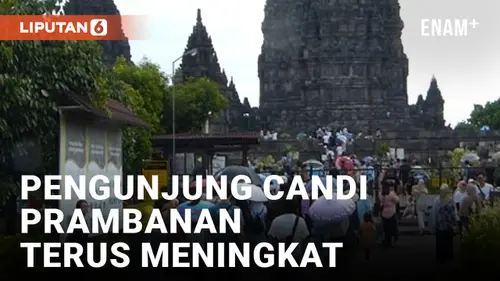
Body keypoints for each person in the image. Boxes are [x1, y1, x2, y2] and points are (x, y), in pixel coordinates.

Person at [429, 184, 455, 263]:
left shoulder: (451, 200)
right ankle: (441, 258)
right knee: (440, 243)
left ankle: (448, 258)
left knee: (448, 243)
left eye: (443, 191)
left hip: (448, 226)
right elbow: (434, 213)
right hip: (440, 226)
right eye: (441, 191)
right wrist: (433, 225)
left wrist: (454, 224)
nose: (442, 192)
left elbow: (453, 213)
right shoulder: (437, 200)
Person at [378, 183, 399, 247]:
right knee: (393, 228)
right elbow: (397, 200)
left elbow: (381, 202)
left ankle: (387, 241)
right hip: (391, 212)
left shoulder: (380, 194)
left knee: (386, 229)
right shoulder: (391, 194)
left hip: (384, 213)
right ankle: (393, 240)